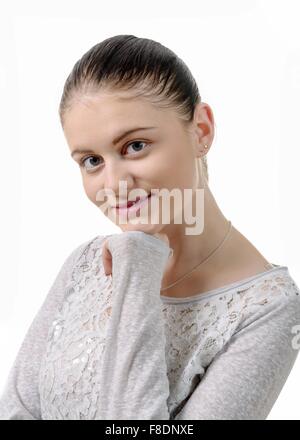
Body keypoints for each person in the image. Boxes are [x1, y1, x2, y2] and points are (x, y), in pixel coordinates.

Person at [1, 34, 300, 420]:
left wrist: (138, 268)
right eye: (91, 160)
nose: (113, 184)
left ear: (202, 131)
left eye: (135, 146)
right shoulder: (85, 263)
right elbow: (15, 411)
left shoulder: (270, 310)